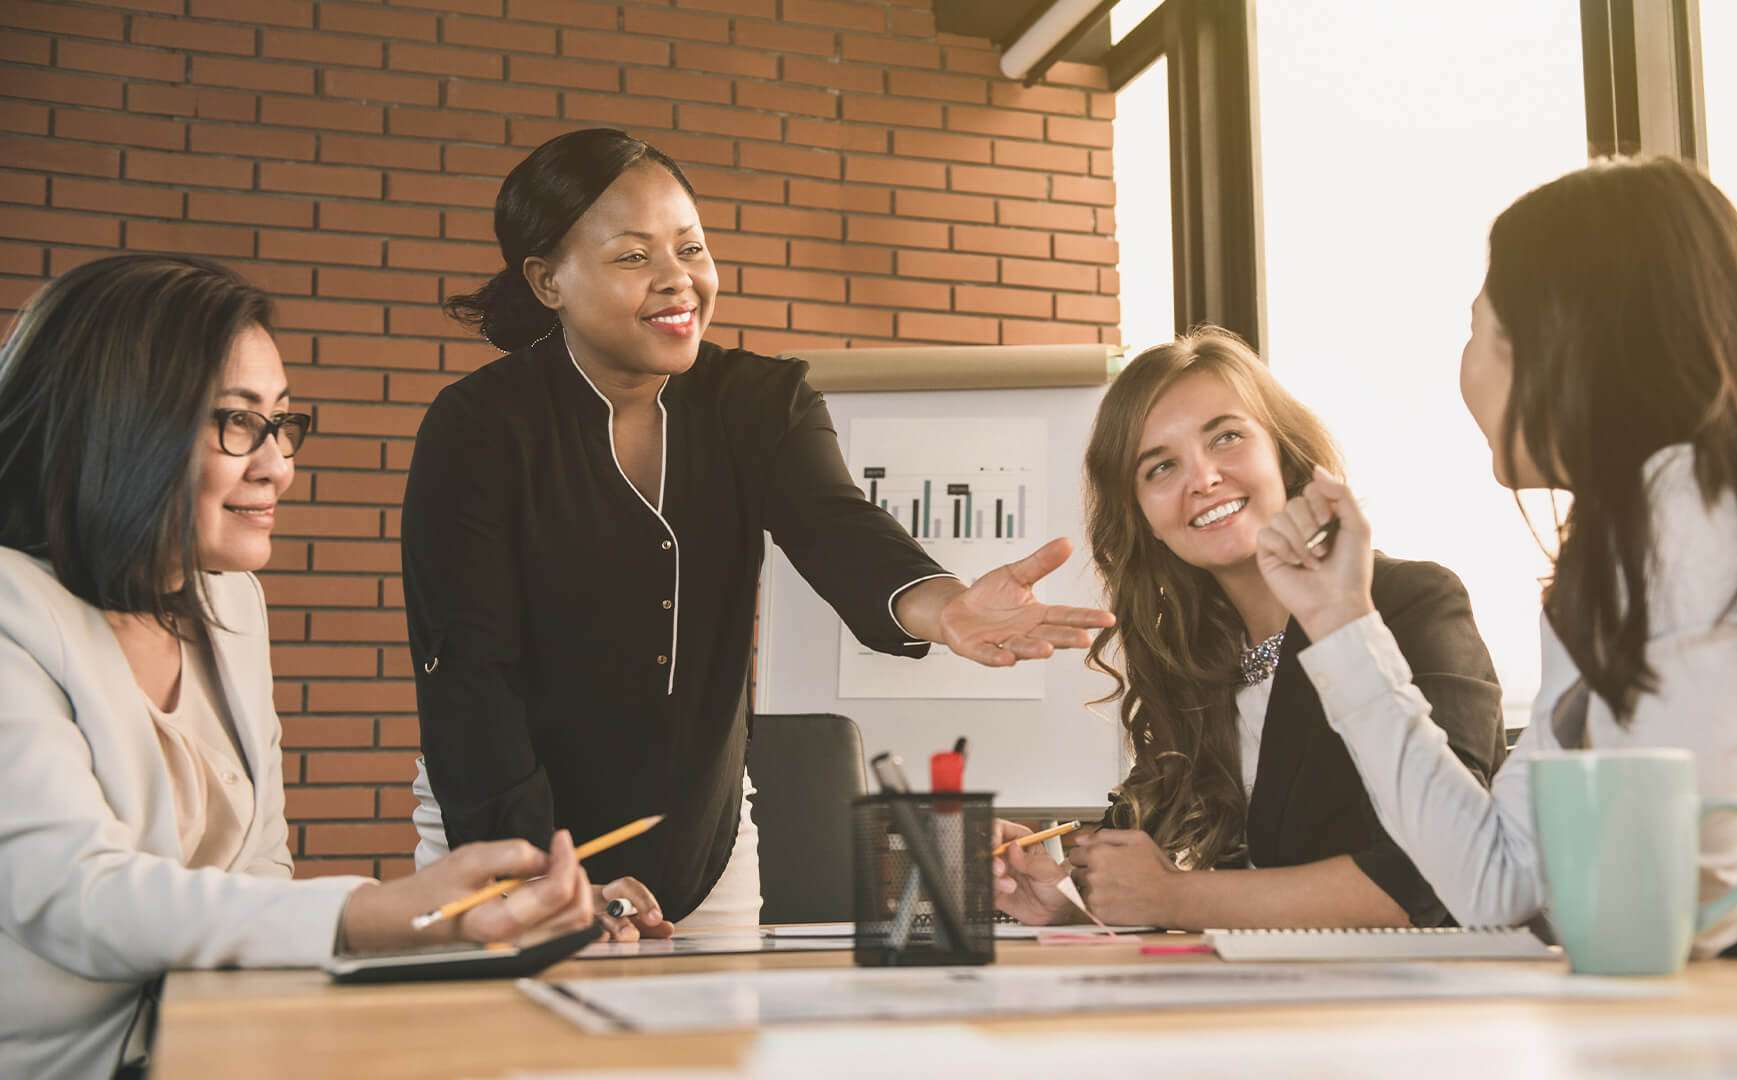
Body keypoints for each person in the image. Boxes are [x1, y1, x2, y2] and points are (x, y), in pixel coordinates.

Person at [403, 128, 1113, 939]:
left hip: (704, 841)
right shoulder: (478, 430)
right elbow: (469, 678)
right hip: (505, 836)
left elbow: (838, 525)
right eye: (634, 256)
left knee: (714, 1062)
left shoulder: (760, 401)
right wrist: (539, 877)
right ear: (547, 280)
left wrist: (944, 607)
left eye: (691, 247)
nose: (679, 280)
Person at [1261, 156, 1737, 962]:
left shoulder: (1698, 515)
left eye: (1480, 329)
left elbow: (1665, 919)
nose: (1466, 367)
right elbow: (1495, 881)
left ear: (1563, 345)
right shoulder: (1635, 541)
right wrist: (1339, 618)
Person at [0, 255, 598, 1079]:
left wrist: (471, 924)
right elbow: (76, 897)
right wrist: (380, 915)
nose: (277, 463)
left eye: (281, 422)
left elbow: (258, 875)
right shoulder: (12, 613)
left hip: (216, 1048)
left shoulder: (232, 606)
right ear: (120, 424)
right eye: (237, 422)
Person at [992, 328, 1505, 930]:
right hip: (1265, 1002)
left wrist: (1175, 897)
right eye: (1161, 467)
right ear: (1144, 519)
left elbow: (1438, 878)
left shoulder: (1408, 602)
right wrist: (1068, 903)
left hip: (1412, 1006)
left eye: (1227, 437)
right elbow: (1170, 882)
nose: (1203, 479)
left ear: (1282, 454)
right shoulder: (1191, 661)